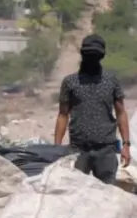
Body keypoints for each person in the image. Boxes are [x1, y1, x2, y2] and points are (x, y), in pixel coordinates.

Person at [55, 34, 131, 183]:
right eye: (88, 55)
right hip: (78, 150)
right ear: (83, 55)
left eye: (95, 56)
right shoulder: (70, 82)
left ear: (101, 56)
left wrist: (126, 145)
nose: (91, 60)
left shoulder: (112, 81)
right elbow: (63, 114)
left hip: (106, 150)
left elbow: (121, 112)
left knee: (107, 195)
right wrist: (56, 148)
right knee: (74, 194)